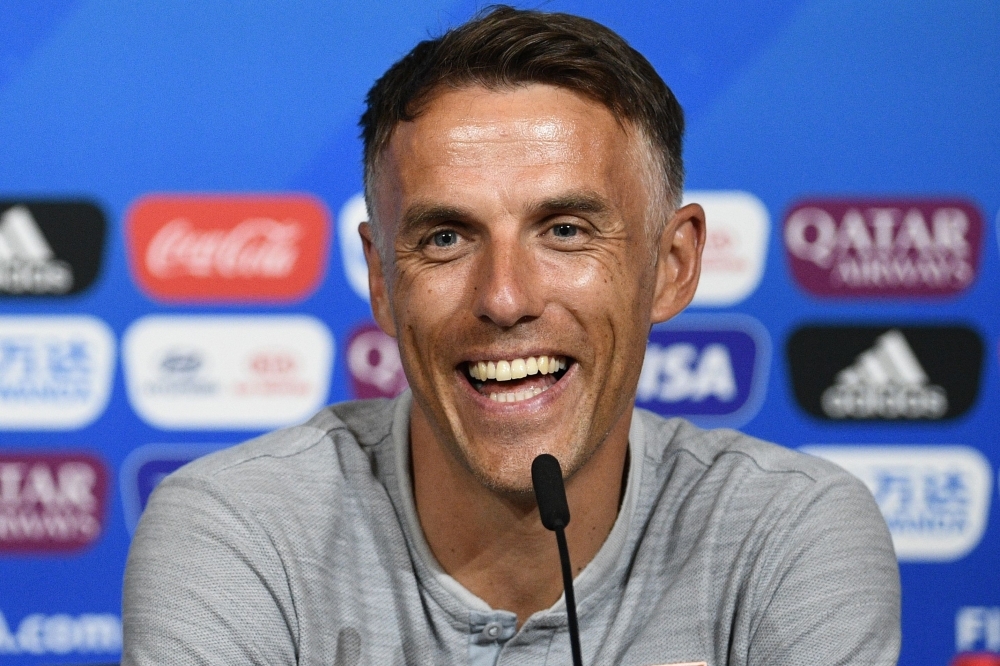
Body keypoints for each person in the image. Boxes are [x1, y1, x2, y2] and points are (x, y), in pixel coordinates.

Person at [122, 6, 901, 665]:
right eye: (445, 239)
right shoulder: (238, 530)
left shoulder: (788, 533)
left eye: (564, 230)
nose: (503, 297)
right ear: (382, 280)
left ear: (673, 265)